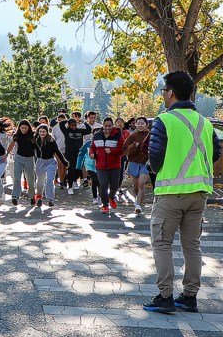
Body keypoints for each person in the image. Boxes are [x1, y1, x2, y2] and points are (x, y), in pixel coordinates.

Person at [142, 71, 222, 314]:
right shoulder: (206, 122)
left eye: (164, 90)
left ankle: (165, 295)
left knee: (162, 243)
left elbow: (154, 157)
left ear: (171, 93)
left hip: (171, 192)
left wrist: (153, 169)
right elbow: (216, 154)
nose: (163, 95)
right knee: (192, 245)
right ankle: (189, 296)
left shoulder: (164, 121)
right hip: (200, 193)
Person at [90, 116, 127, 214]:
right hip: (100, 165)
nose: (107, 128)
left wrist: (112, 151)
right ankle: (105, 205)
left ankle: (111, 197)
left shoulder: (118, 135)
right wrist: (92, 154)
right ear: (103, 126)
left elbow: (123, 150)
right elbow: (93, 147)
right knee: (103, 184)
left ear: (112, 126)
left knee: (115, 185)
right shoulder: (97, 135)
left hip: (114, 165)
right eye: (105, 126)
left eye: (110, 126)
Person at [123, 116, 151, 216]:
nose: (140, 125)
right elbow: (125, 150)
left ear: (146, 124)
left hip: (146, 163)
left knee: (141, 183)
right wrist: (134, 146)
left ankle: (138, 205)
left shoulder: (150, 135)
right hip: (134, 162)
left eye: (142, 123)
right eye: (138, 123)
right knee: (135, 186)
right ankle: (137, 200)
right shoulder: (132, 136)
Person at [33, 123, 67, 207]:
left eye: (44, 131)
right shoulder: (36, 140)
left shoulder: (51, 140)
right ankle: (39, 197)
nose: (42, 133)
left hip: (51, 162)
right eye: (40, 131)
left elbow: (57, 151)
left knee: (49, 180)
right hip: (40, 162)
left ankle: (50, 199)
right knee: (40, 182)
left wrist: (64, 161)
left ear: (47, 132)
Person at [5, 119, 37, 206]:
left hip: (30, 158)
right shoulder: (17, 135)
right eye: (22, 128)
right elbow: (11, 144)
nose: (24, 130)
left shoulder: (33, 135)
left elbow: (37, 147)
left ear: (28, 128)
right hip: (19, 158)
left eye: (25, 128)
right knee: (17, 178)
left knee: (30, 179)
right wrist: (6, 154)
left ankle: (32, 196)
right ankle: (15, 196)